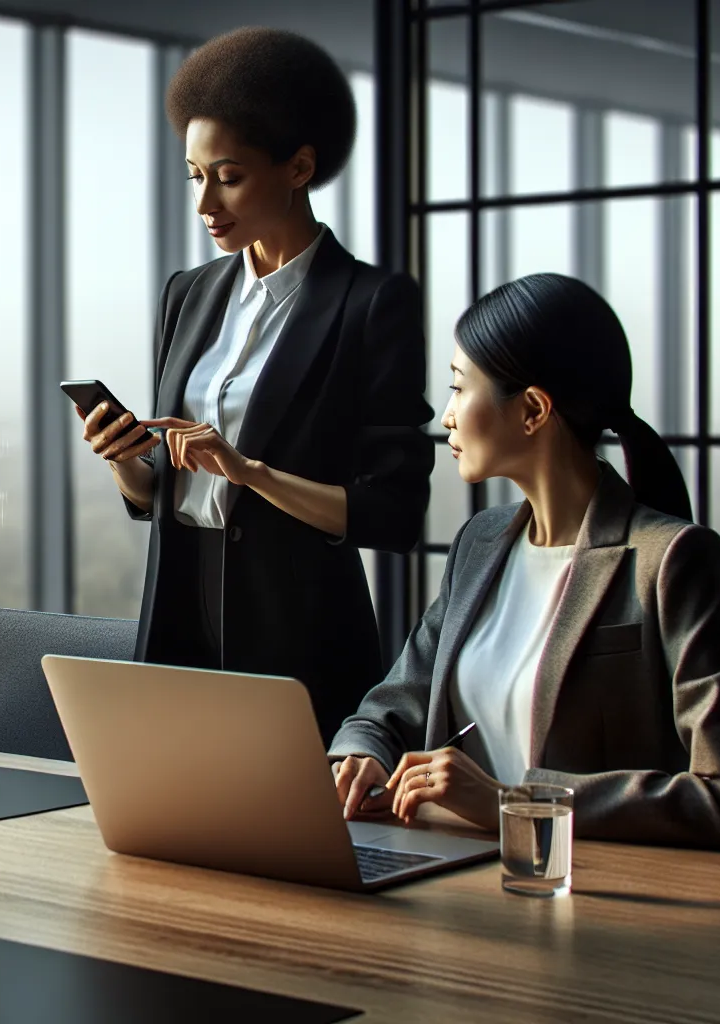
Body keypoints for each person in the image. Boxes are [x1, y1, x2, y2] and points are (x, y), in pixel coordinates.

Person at [328, 273, 720, 851]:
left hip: (589, 895)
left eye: (460, 388)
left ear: (534, 409)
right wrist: (361, 751)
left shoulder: (669, 560)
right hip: (450, 871)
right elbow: (395, 701)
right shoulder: (480, 543)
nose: (446, 416)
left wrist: (514, 803)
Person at [79, 28, 435, 747]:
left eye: (228, 175)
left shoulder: (371, 303)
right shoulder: (188, 294)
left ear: (299, 166)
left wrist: (250, 472)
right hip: (179, 612)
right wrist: (124, 457)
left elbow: (393, 513)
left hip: (299, 627)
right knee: (170, 832)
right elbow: (163, 495)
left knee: (293, 847)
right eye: (194, 175)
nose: (205, 201)